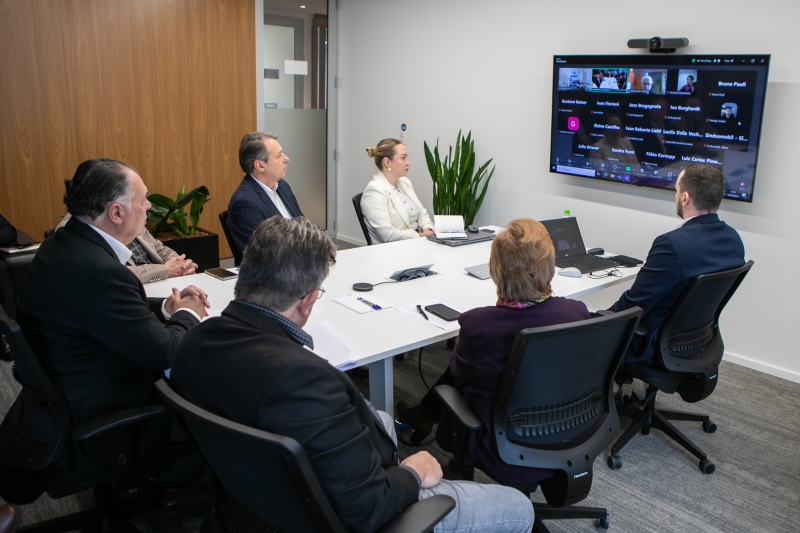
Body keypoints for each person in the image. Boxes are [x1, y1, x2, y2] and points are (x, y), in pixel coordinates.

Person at [171, 217, 534, 533]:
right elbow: (369, 506)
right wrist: (414, 472)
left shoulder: (192, 342)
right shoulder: (306, 380)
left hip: (252, 500)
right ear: (308, 300)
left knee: (381, 421)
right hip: (345, 514)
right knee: (519, 509)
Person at [16, 158, 210, 487]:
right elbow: (164, 353)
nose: (148, 206)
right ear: (117, 213)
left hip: (60, 396)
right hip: (101, 411)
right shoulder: (101, 272)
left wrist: (165, 306)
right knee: (213, 401)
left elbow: (102, 308)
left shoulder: (62, 245)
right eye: (142, 199)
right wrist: (188, 314)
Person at [397, 218, 591, 483]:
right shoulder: (576, 312)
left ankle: (424, 416)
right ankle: (423, 415)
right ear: (550, 265)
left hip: (501, 441)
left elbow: (460, 379)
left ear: (495, 270)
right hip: (567, 428)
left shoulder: (479, 325)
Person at [608, 163, 745, 363]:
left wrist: (599, 323)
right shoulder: (733, 240)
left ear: (685, 197)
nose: (676, 196)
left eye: (677, 190)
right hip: (698, 339)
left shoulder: (672, 244)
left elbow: (634, 304)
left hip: (652, 343)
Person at [57, 213, 197, 284]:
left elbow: (159, 248)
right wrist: (166, 270)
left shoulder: (129, 215)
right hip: (135, 290)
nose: (147, 206)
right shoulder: (77, 231)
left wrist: (181, 265)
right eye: (141, 200)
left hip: (163, 283)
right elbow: (113, 273)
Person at [227, 132, 303, 255]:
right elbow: (260, 254)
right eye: (279, 156)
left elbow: (302, 224)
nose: (286, 158)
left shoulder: (282, 186)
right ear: (260, 166)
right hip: (275, 269)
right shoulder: (244, 203)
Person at [360, 138, 435, 243]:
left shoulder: (404, 182)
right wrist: (420, 236)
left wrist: (428, 229)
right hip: (394, 251)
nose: (408, 163)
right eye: (403, 158)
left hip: (418, 242)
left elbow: (422, 213)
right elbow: (387, 235)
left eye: (407, 157)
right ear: (387, 162)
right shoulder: (374, 191)